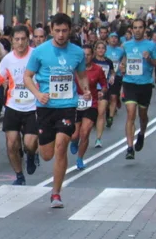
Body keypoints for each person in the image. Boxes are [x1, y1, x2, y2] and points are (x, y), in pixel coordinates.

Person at [23, 12, 90, 208]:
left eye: (64, 31)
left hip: (67, 106)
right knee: (47, 154)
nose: (61, 35)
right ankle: (33, 153)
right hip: (45, 107)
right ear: (51, 30)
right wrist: (37, 94)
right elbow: (27, 77)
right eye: (57, 30)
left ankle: (56, 194)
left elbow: (82, 76)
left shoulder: (77, 53)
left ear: (70, 31)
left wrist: (86, 90)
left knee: (61, 146)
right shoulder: (39, 52)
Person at [0, 25, 38, 185]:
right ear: (12, 41)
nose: (20, 43)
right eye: (17, 39)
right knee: (12, 144)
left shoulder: (36, 55)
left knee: (29, 143)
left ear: (28, 40)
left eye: (23, 39)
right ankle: (19, 175)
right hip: (13, 106)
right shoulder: (7, 59)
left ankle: (31, 154)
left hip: (33, 106)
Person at [119, 18, 156, 160]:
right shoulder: (126, 45)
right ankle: (130, 148)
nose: (137, 30)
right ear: (131, 29)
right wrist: (122, 66)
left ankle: (141, 133)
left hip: (145, 84)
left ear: (144, 29)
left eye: (140, 27)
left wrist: (149, 60)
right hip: (129, 82)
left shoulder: (151, 45)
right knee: (130, 113)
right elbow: (123, 60)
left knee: (143, 115)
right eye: (135, 27)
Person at [71, 42, 104, 170]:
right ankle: (74, 141)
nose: (86, 57)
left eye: (88, 55)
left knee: (85, 132)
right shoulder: (74, 69)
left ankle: (80, 159)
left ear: (92, 55)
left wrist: (102, 92)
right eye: (83, 55)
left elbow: (104, 85)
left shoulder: (98, 69)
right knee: (74, 135)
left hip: (91, 103)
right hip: (76, 103)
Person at [92, 39, 114, 148]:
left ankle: (98, 139)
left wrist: (112, 77)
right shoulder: (91, 60)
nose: (101, 50)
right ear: (95, 50)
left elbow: (112, 72)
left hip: (103, 89)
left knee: (101, 113)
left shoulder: (108, 62)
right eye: (99, 48)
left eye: (103, 48)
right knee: (91, 114)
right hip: (91, 89)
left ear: (105, 50)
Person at [104, 31, 125, 126]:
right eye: (112, 37)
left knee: (114, 97)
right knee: (106, 97)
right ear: (108, 39)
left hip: (117, 76)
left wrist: (123, 66)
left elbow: (124, 60)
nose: (113, 39)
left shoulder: (121, 51)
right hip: (105, 77)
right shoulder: (104, 49)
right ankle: (107, 111)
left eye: (115, 38)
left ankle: (110, 117)